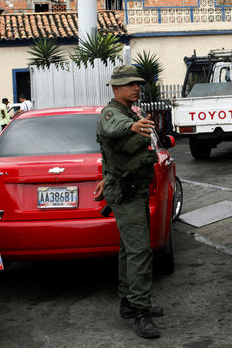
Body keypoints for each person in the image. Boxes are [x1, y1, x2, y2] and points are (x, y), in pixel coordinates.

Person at [92, 65, 163, 339]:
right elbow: (112, 128)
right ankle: (141, 312)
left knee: (128, 249)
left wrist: (105, 175)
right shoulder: (114, 114)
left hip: (133, 188)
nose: (136, 88)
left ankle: (129, 302)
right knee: (139, 251)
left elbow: (108, 153)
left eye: (138, 84)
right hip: (126, 193)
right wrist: (132, 125)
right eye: (130, 84)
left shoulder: (129, 111)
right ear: (116, 88)